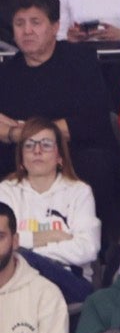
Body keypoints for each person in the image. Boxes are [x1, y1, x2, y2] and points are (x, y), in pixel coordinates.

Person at [0, 0, 119, 223]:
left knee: (97, 163)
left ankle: (98, 241)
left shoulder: (81, 60)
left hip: (75, 151)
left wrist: (26, 134)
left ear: (55, 27)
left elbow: (92, 119)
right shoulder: (7, 72)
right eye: (19, 23)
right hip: (22, 155)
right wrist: (17, 134)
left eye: (35, 22)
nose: (27, 30)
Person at [0, 117, 100, 303]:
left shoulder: (79, 191)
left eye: (46, 144)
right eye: (29, 145)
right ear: (21, 158)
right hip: (17, 279)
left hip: (69, 279)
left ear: (59, 156)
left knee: (21, 258)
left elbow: (88, 249)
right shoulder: (6, 191)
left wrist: (26, 249)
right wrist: (50, 236)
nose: (37, 150)